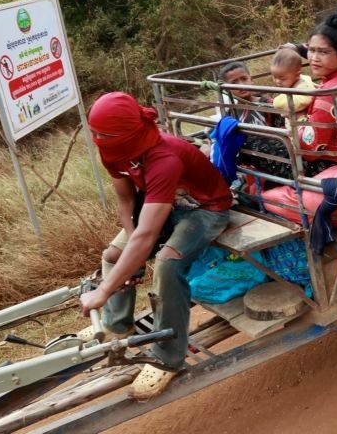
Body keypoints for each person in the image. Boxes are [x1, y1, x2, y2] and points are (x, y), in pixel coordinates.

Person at [79, 92, 232, 399]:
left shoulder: (164, 158)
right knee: (113, 254)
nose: (97, 139)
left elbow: (148, 235)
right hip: (163, 206)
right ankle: (117, 324)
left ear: (126, 133)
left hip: (205, 209)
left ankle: (168, 357)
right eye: (94, 132)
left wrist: (104, 289)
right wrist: (130, 252)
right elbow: (126, 200)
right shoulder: (113, 150)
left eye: (103, 134)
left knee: (167, 263)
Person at [240, 12, 337, 182]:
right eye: (311, 50)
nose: (314, 58)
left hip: (325, 164)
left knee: (246, 142)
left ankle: (258, 186)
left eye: (323, 52)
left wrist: (297, 121)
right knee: (276, 116)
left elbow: (310, 151)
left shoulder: (327, 95)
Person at [270, 47, 315, 126]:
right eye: (274, 77)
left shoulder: (304, 85)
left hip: (304, 129)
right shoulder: (291, 84)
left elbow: (304, 100)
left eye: (282, 78)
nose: (277, 81)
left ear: (297, 75)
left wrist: (277, 102)